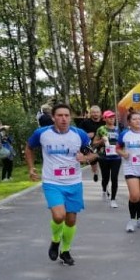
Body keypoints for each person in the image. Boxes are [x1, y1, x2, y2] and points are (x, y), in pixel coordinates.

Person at [25, 103, 97, 265]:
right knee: (59, 216)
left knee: (71, 220)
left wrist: (85, 158)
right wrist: (31, 168)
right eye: (60, 115)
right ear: (53, 117)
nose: (63, 119)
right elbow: (29, 148)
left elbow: (93, 155)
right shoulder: (42, 133)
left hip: (74, 183)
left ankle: (65, 251)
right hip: (52, 182)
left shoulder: (79, 134)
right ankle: (55, 240)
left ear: (70, 117)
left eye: (66, 115)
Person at [95, 110, 122, 208]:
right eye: (109, 117)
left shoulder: (118, 129)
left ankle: (113, 199)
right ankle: (104, 190)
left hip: (116, 157)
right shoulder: (101, 129)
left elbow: (122, 142)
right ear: (105, 118)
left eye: (113, 117)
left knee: (114, 178)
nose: (112, 119)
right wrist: (102, 141)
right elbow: (94, 143)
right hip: (104, 157)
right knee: (105, 178)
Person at [79, 106, 104, 182]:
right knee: (93, 161)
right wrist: (87, 135)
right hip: (90, 145)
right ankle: (95, 172)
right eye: (93, 112)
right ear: (90, 113)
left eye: (97, 112)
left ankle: (104, 175)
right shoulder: (85, 123)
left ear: (100, 113)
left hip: (103, 144)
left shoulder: (104, 122)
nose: (95, 114)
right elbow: (79, 133)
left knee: (104, 161)